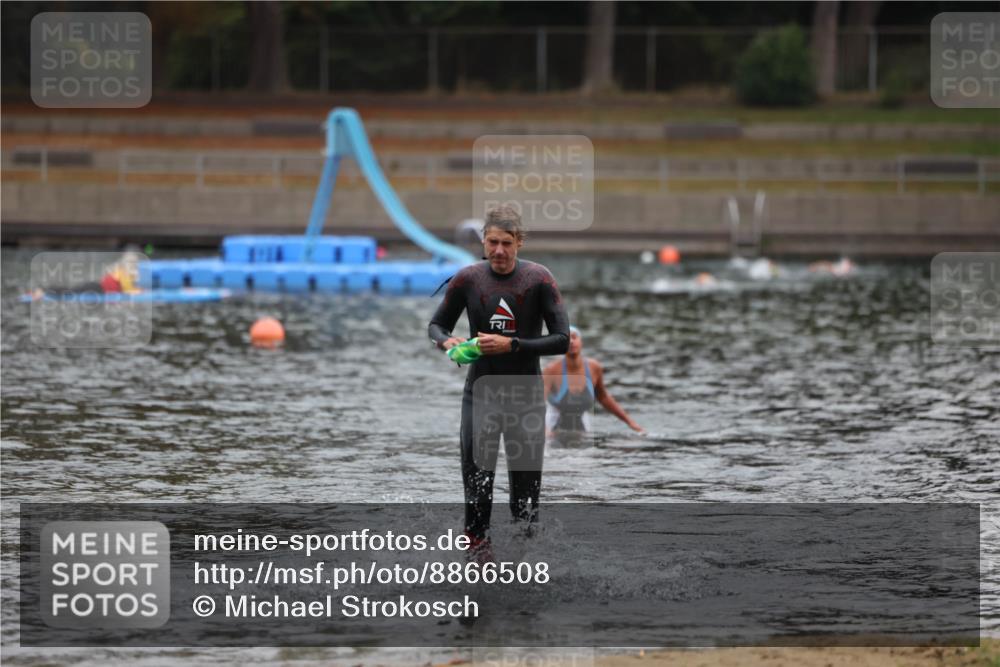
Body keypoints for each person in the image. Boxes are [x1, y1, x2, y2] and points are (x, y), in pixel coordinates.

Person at [428, 205, 569, 560]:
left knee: (525, 499)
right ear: (484, 241)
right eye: (492, 242)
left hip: (525, 399)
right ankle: (477, 564)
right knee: (477, 490)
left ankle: (524, 566)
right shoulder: (468, 279)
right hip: (480, 398)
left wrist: (514, 344)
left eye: (507, 243)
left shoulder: (539, 279)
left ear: (519, 242)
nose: (499, 251)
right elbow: (436, 325)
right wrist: (448, 342)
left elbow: (562, 339)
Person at [543, 326, 645, 444]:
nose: (571, 342)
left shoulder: (594, 367)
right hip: (553, 424)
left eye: (574, 337)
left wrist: (631, 423)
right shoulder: (552, 370)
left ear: (581, 341)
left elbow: (603, 398)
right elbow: (538, 402)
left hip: (582, 423)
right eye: (567, 339)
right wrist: (544, 430)